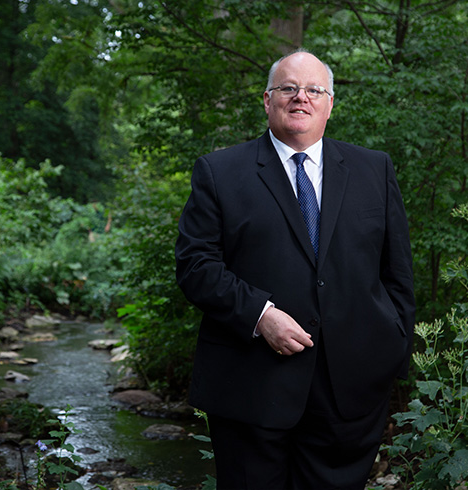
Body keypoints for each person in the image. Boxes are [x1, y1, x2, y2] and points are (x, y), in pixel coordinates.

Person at [175, 50, 415, 490]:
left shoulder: (374, 169)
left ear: (330, 103)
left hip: (352, 394)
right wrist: (260, 315)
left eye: (313, 90)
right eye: (288, 88)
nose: (300, 97)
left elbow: (397, 272)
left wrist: (393, 353)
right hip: (250, 388)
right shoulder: (219, 171)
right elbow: (195, 266)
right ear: (267, 100)